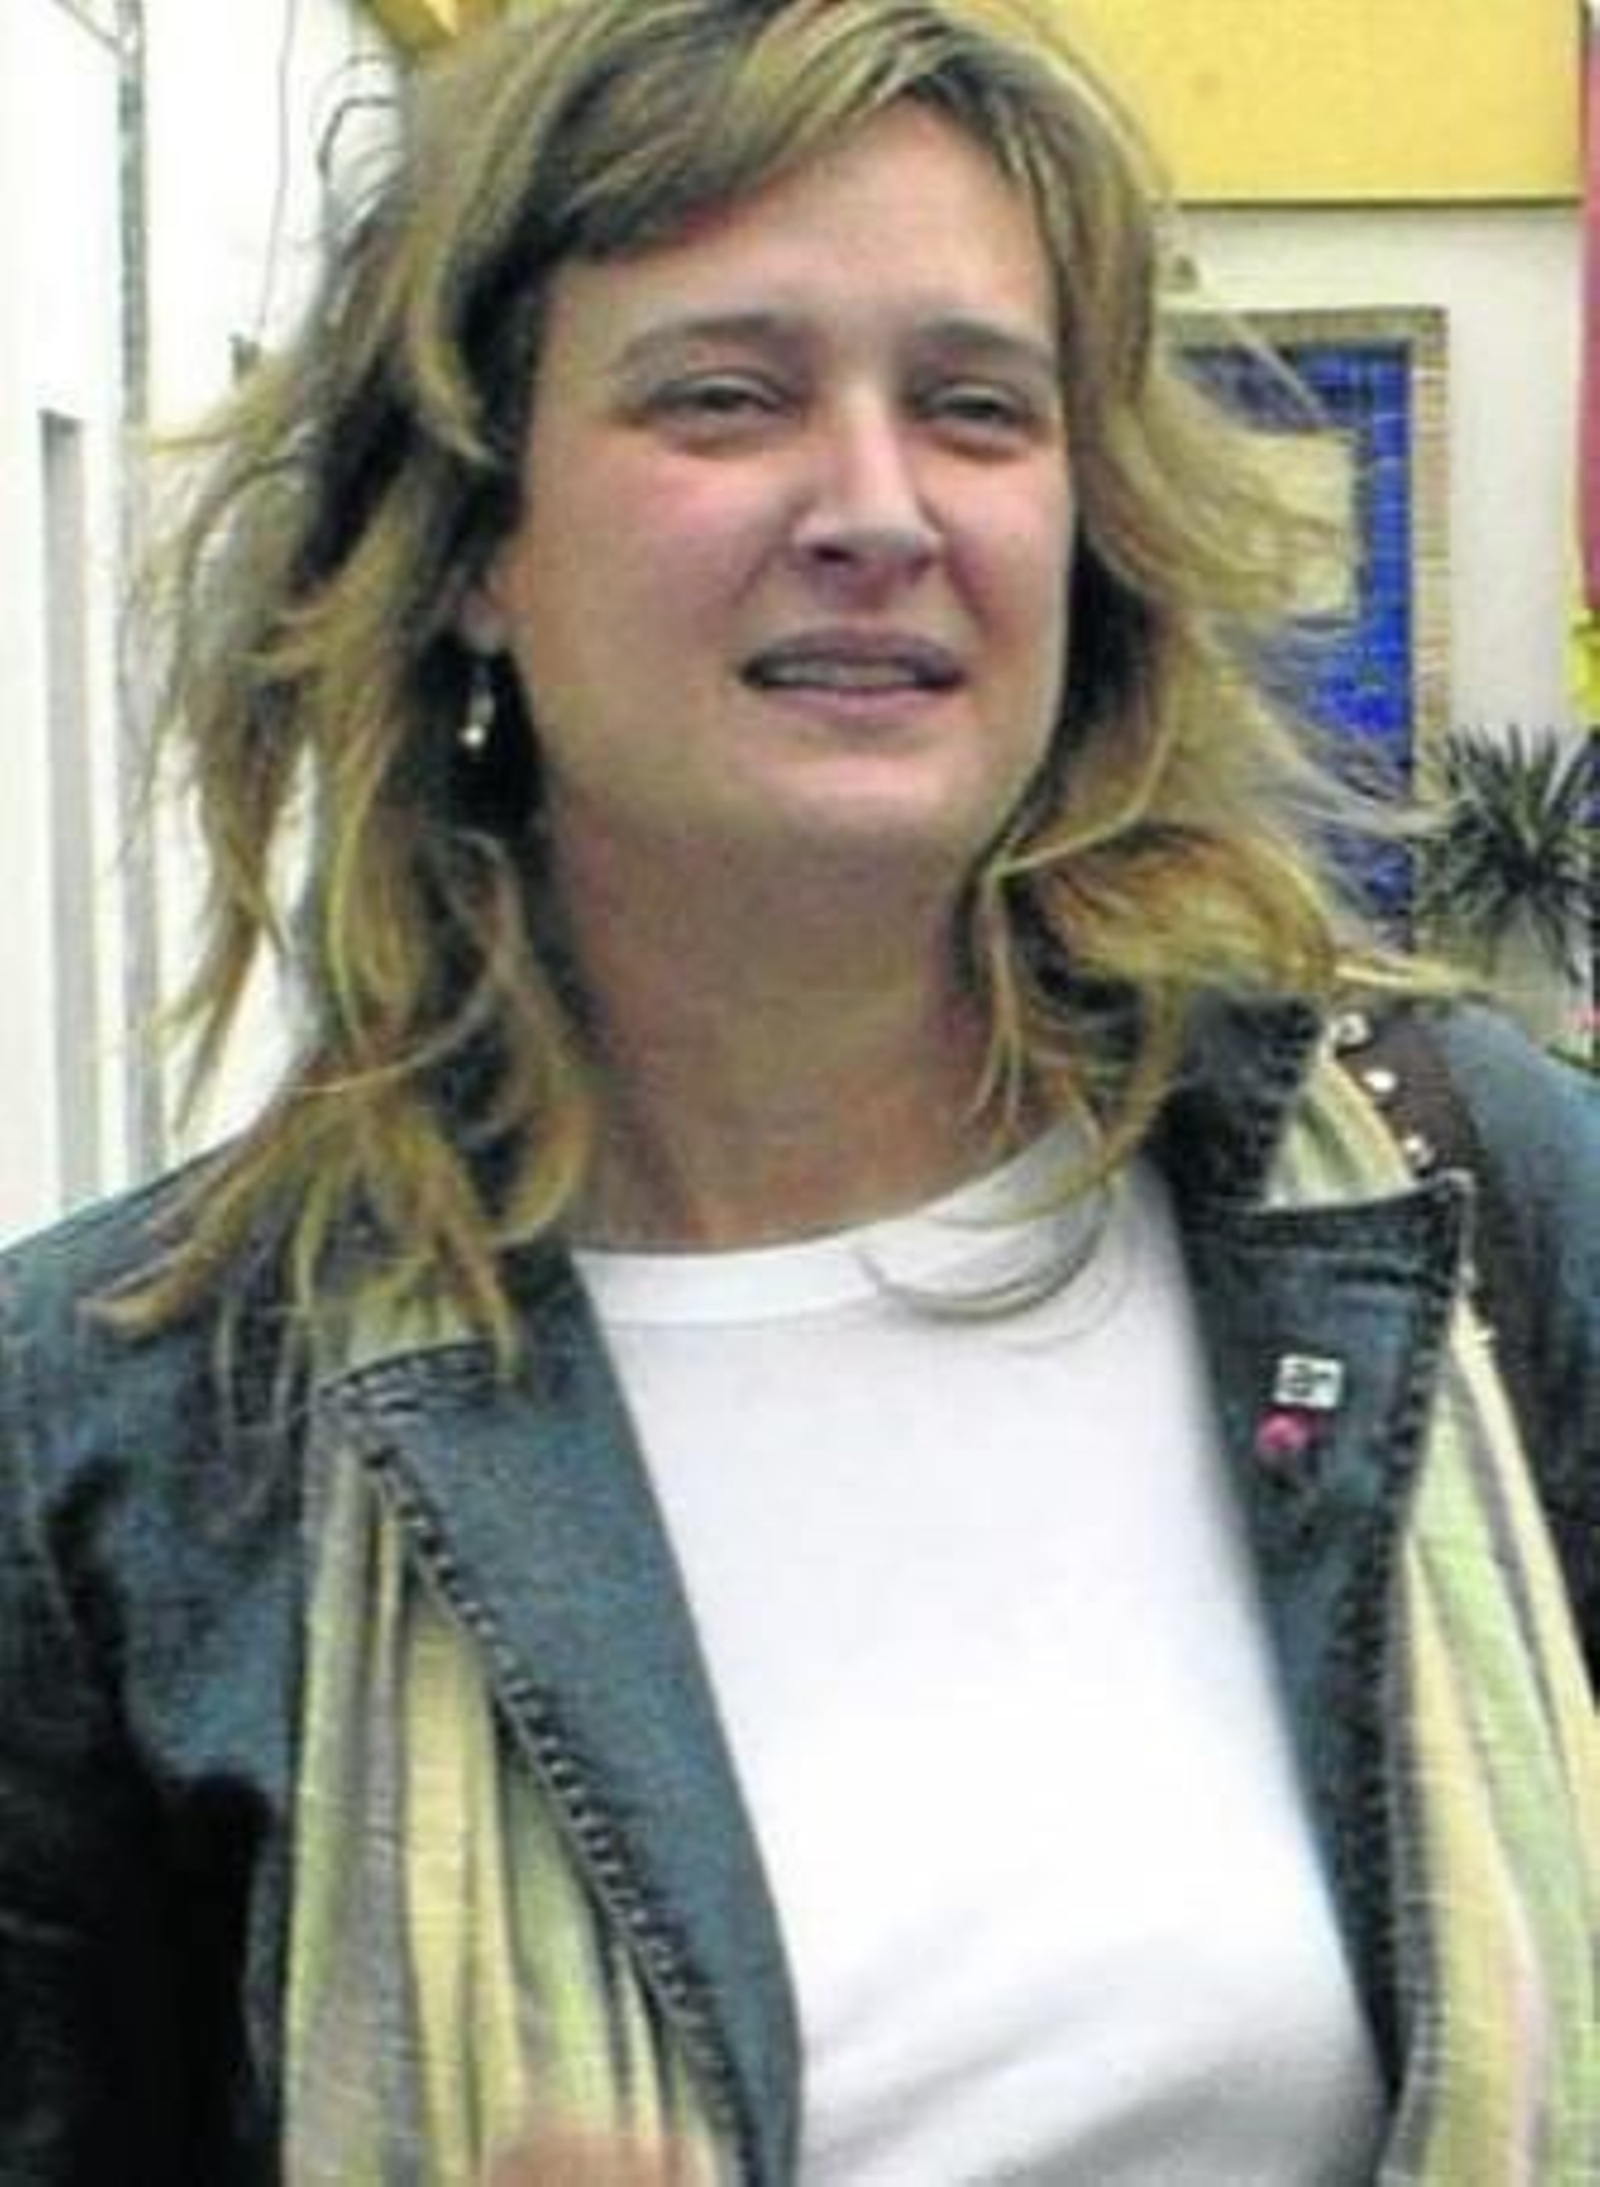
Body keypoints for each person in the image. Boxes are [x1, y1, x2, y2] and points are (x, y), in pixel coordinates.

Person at [0, 0, 1594, 2179]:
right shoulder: (126, 1446)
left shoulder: (1453, 1206)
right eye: (725, 397)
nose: (875, 509)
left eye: (973, 406)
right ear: (473, 541)